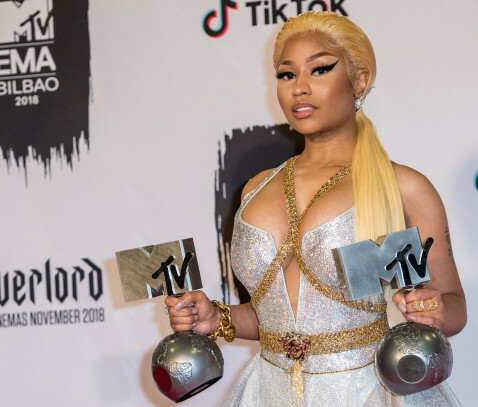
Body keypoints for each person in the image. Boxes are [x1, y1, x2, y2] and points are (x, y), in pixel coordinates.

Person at [165, 10, 466, 406]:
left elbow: (454, 305)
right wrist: (218, 317)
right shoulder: (255, 189)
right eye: (286, 74)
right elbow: (273, 318)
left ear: (359, 80)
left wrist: (432, 310)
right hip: (267, 393)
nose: (299, 88)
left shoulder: (403, 187)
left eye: (319, 69)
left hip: (366, 394)